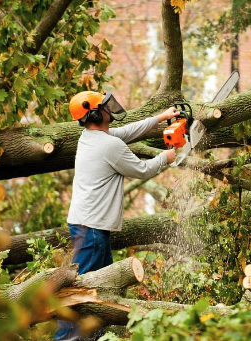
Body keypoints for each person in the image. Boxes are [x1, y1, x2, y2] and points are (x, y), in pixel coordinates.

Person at [55, 91, 178, 340]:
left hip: (89, 225)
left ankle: (94, 335)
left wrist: (160, 117)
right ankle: (65, 338)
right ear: (95, 113)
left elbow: (129, 131)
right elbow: (142, 170)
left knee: (101, 288)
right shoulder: (108, 145)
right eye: (105, 106)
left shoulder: (91, 137)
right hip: (91, 228)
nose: (110, 109)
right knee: (81, 290)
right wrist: (166, 157)